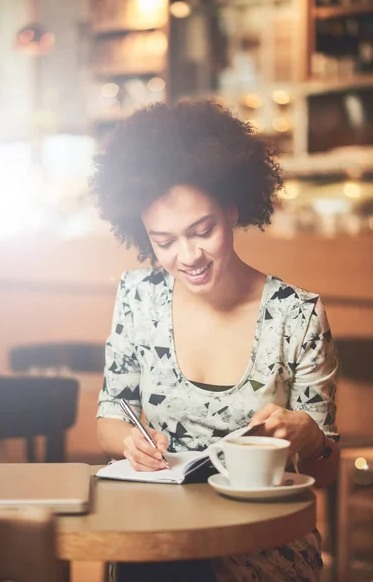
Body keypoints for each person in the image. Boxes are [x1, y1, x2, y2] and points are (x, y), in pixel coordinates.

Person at [91, 100, 339, 582]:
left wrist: (310, 438)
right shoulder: (137, 297)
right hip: (160, 541)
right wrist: (132, 444)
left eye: (201, 230)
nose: (188, 256)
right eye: (163, 241)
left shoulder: (296, 314)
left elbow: (324, 474)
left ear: (231, 208)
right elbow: (109, 419)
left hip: (262, 551)